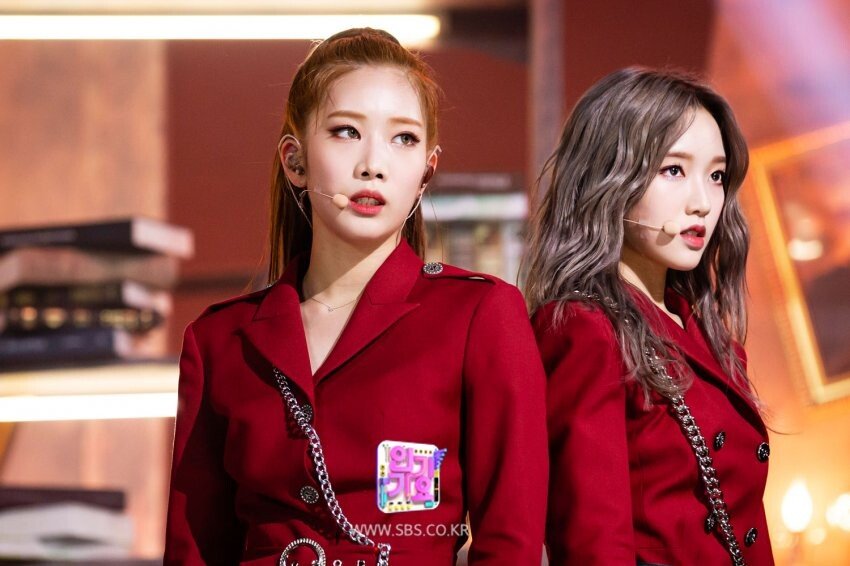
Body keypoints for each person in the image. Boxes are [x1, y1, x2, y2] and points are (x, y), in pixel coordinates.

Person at [164, 28, 548, 566]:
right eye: (346, 131)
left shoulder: (479, 316)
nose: (373, 163)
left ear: (427, 171)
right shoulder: (219, 342)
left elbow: (511, 544)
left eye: (404, 138)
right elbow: (193, 551)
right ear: (295, 161)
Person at [524, 67, 774, 565]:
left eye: (716, 176)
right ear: (607, 176)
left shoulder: (704, 330)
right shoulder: (584, 329)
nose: (703, 203)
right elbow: (593, 543)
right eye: (673, 170)